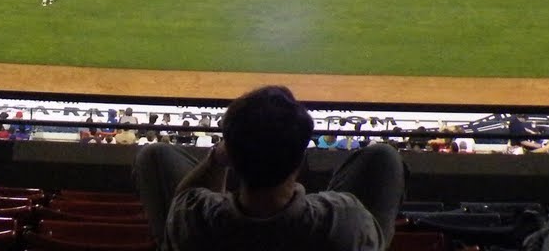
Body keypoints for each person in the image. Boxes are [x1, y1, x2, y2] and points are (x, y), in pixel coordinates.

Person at [134, 84, 403, 249]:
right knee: (383, 157)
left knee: (154, 154)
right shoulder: (344, 219)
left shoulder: (192, 220)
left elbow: (186, 199)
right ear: (299, 159)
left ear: (232, 156)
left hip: (210, 236)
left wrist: (216, 159)